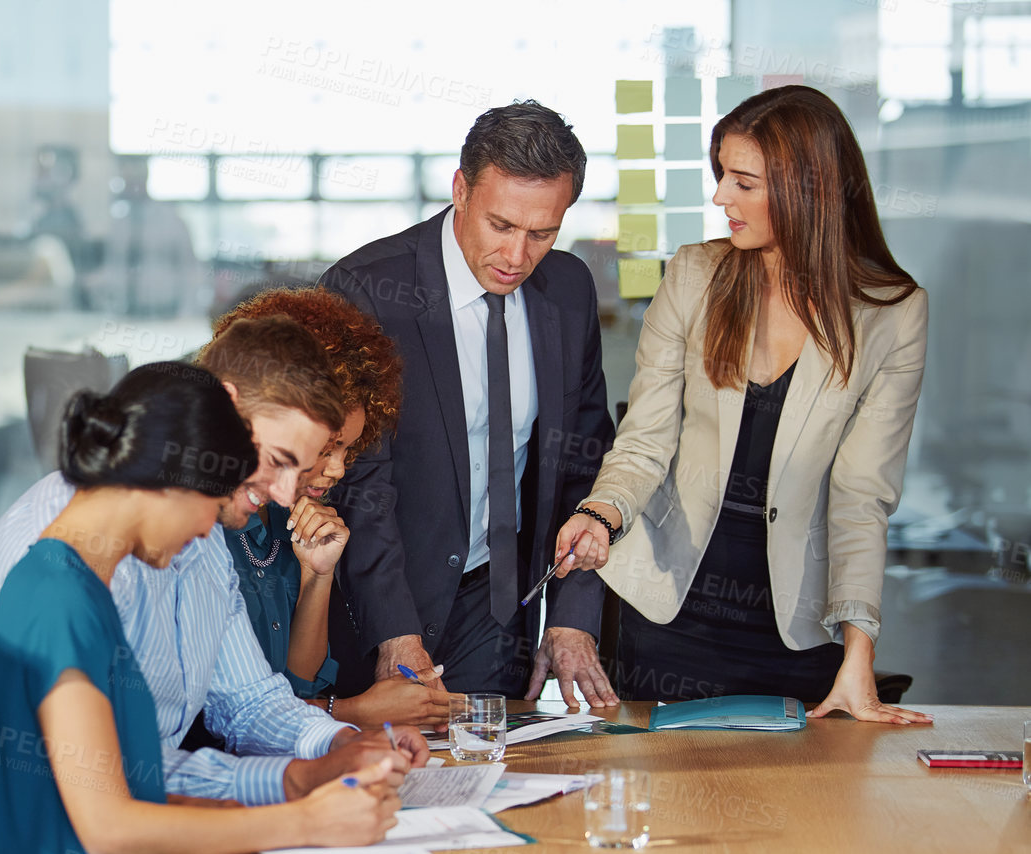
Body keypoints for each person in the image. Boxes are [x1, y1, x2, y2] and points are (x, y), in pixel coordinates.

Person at [0, 365, 404, 854]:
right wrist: (304, 822)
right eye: (213, 501)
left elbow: (134, 788)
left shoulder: (78, 590)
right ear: (169, 477)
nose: (204, 532)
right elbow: (110, 828)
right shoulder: (56, 602)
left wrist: (297, 787)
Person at [0, 324, 429, 850]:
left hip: (112, 827)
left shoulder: (155, 541)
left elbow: (156, 765)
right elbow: (105, 821)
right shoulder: (67, 581)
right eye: (277, 462)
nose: (285, 497)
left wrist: (316, 767)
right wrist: (300, 817)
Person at [550, 85, 933, 724]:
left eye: (744, 182)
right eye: (721, 173)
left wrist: (858, 653)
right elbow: (644, 440)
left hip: (797, 625)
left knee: (795, 816)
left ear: (807, 190)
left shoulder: (891, 314)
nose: (720, 196)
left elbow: (862, 495)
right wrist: (602, 511)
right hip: (668, 610)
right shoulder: (694, 274)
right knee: (670, 812)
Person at [320, 101, 618, 707]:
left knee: (495, 782)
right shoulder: (368, 290)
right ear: (460, 189)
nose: (516, 256)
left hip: (498, 606)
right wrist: (393, 633)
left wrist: (572, 613)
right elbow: (359, 483)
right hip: (386, 604)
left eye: (542, 233)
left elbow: (583, 463)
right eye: (501, 226)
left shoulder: (567, 289)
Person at [211, 287, 450, 730]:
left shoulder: (288, 513)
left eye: (350, 449)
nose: (338, 469)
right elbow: (226, 720)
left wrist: (317, 576)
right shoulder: (207, 521)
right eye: (328, 447)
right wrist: (356, 713)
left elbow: (298, 686)